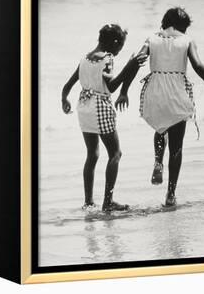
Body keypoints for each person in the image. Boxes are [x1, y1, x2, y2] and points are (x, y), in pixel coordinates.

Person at [129, 7, 204, 206]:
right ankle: (170, 193)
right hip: (176, 92)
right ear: (183, 27)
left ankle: (158, 160)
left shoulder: (151, 38)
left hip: (155, 90)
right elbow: (197, 65)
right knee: (177, 146)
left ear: (165, 22)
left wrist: (124, 88)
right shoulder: (187, 40)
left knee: (161, 126)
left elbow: (138, 60)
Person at [61, 24, 147, 212]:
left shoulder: (85, 58)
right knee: (115, 153)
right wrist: (130, 65)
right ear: (114, 43)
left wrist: (64, 99)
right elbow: (112, 86)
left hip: (83, 106)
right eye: (120, 46)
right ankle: (108, 202)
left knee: (92, 155)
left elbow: (67, 85)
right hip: (100, 106)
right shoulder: (107, 59)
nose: (118, 51)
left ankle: (88, 201)